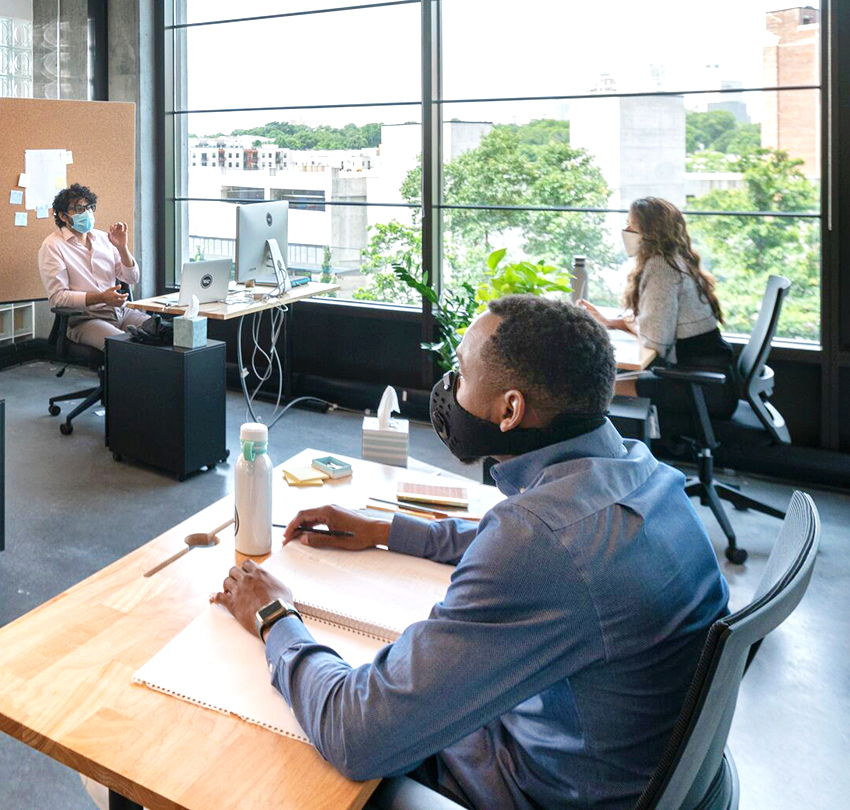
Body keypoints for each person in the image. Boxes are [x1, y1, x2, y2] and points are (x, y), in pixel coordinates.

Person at [213, 295, 729, 809]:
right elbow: (538, 542)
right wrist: (387, 528)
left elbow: (357, 732)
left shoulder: (538, 542)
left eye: (459, 373)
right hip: (608, 764)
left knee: (281, 749)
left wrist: (274, 614)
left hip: (539, 785)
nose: (449, 388)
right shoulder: (643, 473)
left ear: (510, 409)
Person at [579, 196, 738, 417]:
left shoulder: (661, 267)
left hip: (701, 388)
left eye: (630, 225)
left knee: (588, 389)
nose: (625, 230)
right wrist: (612, 323)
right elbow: (655, 326)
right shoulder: (675, 260)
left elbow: (656, 342)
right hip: (705, 380)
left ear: (649, 233)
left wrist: (627, 324)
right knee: (602, 381)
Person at [36, 183, 149, 350]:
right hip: (85, 319)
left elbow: (132, 278)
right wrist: (101, 297)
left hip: (121, 312)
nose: (87, 213)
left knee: (161, 333)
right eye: (80, 209)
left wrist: (122, 248)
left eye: (89, 208)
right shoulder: (52, 246)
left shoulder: (104, 238)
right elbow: (58, 298)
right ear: (63, 216)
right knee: (124, 348)